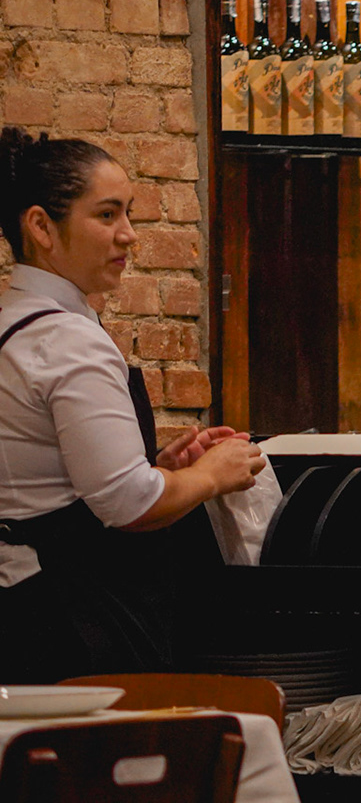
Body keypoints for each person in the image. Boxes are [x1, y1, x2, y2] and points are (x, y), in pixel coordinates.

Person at [0, 129, 265, 682]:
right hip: (67, 620)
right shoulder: (68, 340)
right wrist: (210, 476)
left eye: (129, 213)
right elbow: (126, 504)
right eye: (107, 215)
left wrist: (164, 470)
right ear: (41, 227)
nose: (129, 234)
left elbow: (59, 479)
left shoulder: (13, 322)